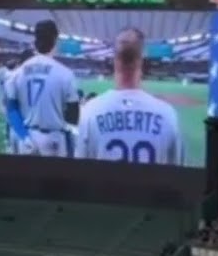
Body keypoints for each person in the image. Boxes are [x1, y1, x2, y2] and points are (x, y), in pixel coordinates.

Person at [75, 27, 184, 166]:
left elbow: (82, 171)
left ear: (114, 60)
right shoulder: (169, 115)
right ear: (142, 61)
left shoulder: (89, 111)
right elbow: (177, 173)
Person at [4, 19, 80, 158]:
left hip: (27, 139)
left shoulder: (16, 73)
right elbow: (73, 117)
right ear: (55, 40)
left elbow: (12, 109)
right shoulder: (66, 74)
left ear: (35, 41)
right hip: (55, 140)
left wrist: (24, 136)